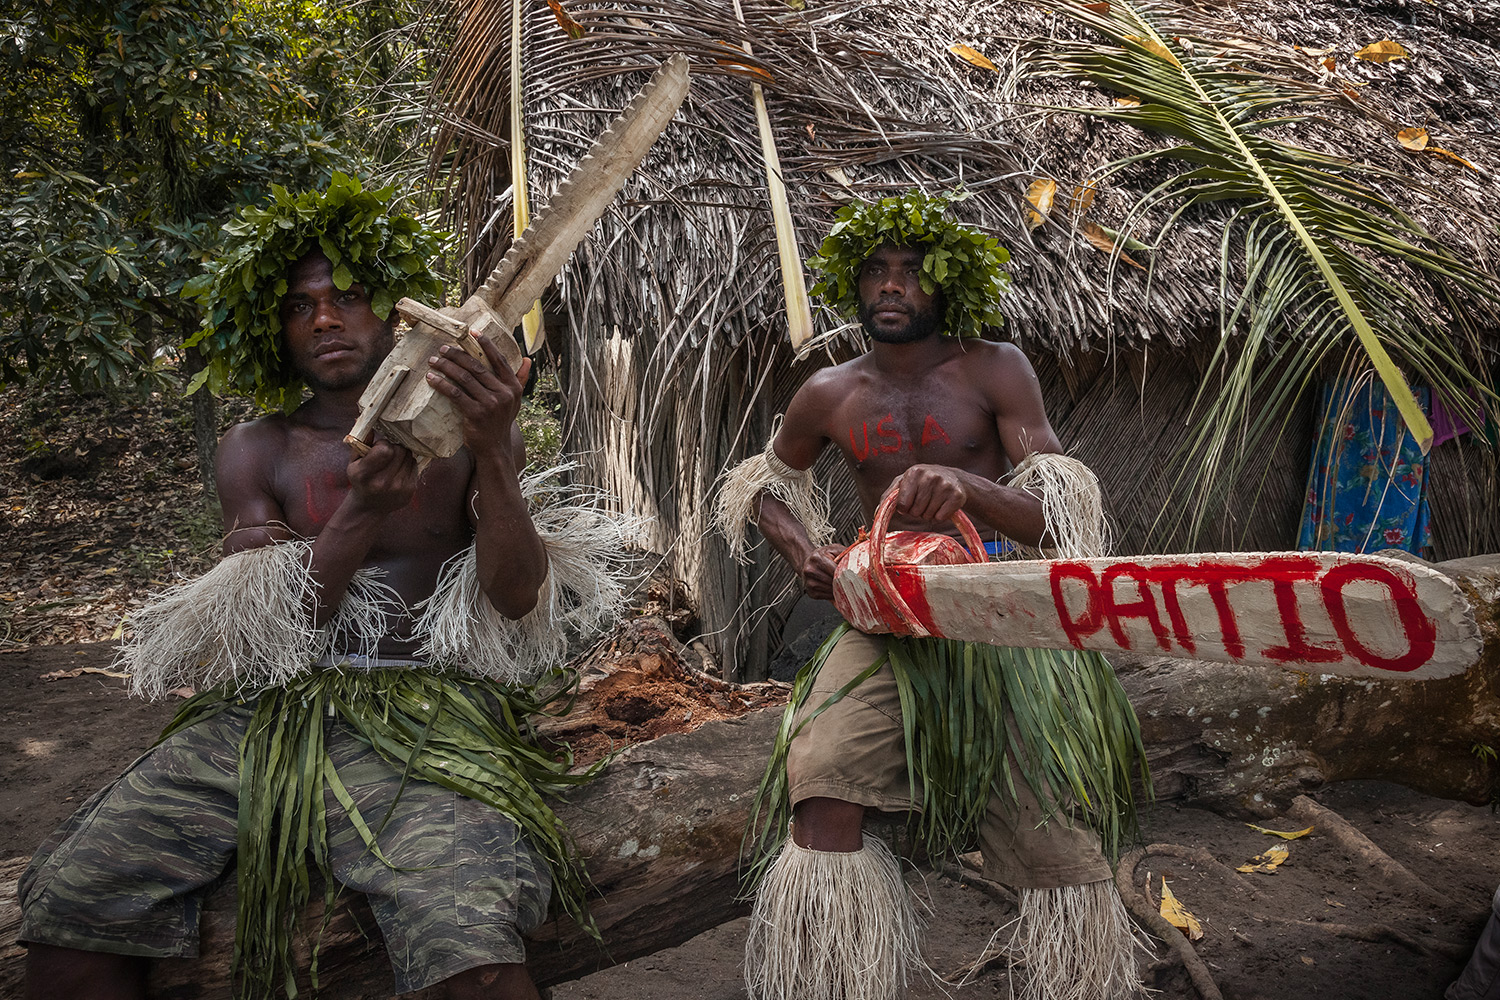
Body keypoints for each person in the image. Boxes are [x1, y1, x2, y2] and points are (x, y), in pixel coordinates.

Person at [17, 174, 632, 1000]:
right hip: (272, 710)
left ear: (398, 316)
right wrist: (360, 514)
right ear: (277, 332)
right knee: (71, 905)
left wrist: (491, 454)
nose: (326, 319)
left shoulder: (473, 433)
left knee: (474, 948)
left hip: (427, 712)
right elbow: (274, 632)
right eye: (301, 307)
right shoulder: (256, 449)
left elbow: (516, 598)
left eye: (347, 298)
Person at [715, 191, 1147, 1000]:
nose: (890, 287)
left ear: (944, 286)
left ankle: (1078, 980)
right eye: (876, 272)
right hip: (884, 619)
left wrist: (967, 489)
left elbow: (1054, 520)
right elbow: (760, 486)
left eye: (911, 274)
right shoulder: (830, 393)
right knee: (821, 785)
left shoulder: (995, 368)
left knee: (1058, 832)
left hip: (999, 619)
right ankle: (839, 980)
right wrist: (809, 553)